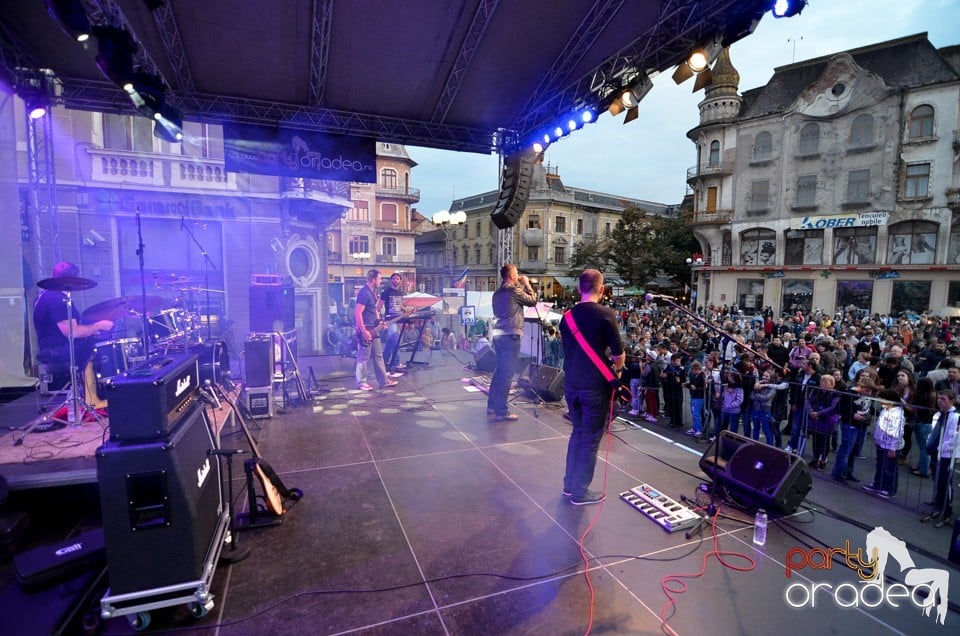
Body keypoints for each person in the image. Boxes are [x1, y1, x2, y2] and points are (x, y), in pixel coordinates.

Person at [559, 269, 625, 505]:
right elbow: (618, 355)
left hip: (571, 384)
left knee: (577, 433)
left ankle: (569, 485)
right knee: (590, 440)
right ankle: (580, 492)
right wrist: (617, 371)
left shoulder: (566, 318)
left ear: (579, 288)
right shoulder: (606, 315)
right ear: (602, 288)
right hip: (594, 388)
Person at [34, 261, 114, 372]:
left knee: (95, 339)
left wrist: (90, 331)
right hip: (59, 351)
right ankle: (96, 386)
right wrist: (99, 326)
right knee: (104, 348)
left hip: (52, 348)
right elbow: (72, 332)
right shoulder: (57, 299)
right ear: (72, 280)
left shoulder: (45, 295)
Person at [487, 264, 538, 421]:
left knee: (499, 372)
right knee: (507, 375)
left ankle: (491, 405)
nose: (518, 276)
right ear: (510, 276)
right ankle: (502, 411)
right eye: (516, 274)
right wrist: (527, 283)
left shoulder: (497, 293)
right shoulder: (514, 290)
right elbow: (532, 301)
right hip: (511, 336)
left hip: (499, 336)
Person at [354, 269, 399, 391]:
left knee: (378, 356)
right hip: (366, 330)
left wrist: (380, 322)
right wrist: (364, 331)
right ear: (373, 279)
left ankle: (383, 381)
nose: (381, 281)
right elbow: (358, 313)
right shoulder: (364, 293)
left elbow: (374, 311)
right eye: (379, 279)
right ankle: (362, 382)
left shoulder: (373, 292)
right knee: (363, 357)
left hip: (374, 329)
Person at [921, 389, 959, 526]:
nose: (939, 401)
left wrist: (941, 450)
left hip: (946, 455)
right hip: (934, 453)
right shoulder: (938, 414)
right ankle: (938, 504)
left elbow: (954, 438)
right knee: (937, 480)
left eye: (943, 399)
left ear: (951, 400)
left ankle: (946, 510)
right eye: (939, 398)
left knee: (945, 481)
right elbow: (933, 432)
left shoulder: (955, 417)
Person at [863, 388, 906, 499]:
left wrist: (893, 448)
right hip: (881, 443)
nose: (881, 402)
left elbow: (897, 432)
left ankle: (889, 489)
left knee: (890, 468)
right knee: (880, 465)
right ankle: (878, 484)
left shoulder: (897, 414)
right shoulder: (885, 409)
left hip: (890, 445)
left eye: (883, 400)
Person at [805, 375, 841, 470]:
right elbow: (808, 401)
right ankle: (815, 458)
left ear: (832, 384)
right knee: (815, 440)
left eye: (825, 382)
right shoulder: (816, 391)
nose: (822, 384)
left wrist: (818, 413)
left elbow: (833, 408)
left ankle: (823, 460)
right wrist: (811, 412)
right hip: (815, 419)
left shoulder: (835, 394)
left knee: (824, 441)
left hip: (827, 420)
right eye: (821, 382)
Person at [380, 272, 408, 371]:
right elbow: (379, 306)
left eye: (397, 279)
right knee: (396, 341)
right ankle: (396, 363)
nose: (396, 280)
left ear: (400, 281)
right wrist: (380, 319)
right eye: (394, 278)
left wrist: (406, 310)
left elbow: (399, 305)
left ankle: (383, 361)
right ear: (391, 280)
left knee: (391, 342)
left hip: (398, 319)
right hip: (390, 320)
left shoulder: (400, 293)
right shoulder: (386, 292)